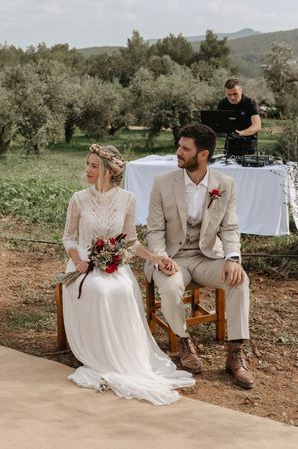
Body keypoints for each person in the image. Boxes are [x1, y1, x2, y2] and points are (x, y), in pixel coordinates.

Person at [61, 144, 195, 405]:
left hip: (114, 264)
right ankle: (99, 353)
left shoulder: (127, 199)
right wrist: (76, 260)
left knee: (121, 289)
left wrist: (156, 258)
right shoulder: (78, 198)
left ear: (109, 172)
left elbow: (131, 242)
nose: (87, 169)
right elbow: (68, 237)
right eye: (87, 164)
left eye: (93, 165)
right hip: (84, 264)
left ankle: (122, 355)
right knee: (99, 290)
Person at [144, 123, 255, 389]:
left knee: (240, 280)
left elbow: (230, 227)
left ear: (202, 155)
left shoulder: (224, 185)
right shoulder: (162, 183)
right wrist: (160, 257)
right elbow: (155, 229)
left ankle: (234, 354)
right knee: (170, 288)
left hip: (207, 257)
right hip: (172, 257)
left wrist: (232, 258)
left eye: (185, 148)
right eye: (179, 146)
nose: (178, 152)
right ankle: (183, 342)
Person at [218, 78, 261, 156]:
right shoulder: (223, 104)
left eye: (235, 94)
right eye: (229, 95)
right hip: (230, 145)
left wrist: (240, 133)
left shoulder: (251, 103)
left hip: (249, 146)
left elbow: (257, 126)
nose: (232, 98)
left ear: (241, 91)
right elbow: (217, 124)